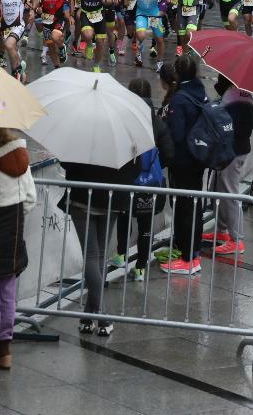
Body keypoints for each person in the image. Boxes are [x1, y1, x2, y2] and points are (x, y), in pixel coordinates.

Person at [0, 129, 36, 377]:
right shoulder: (20, 156)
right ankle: (5, 349)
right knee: (7, 295)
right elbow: (31, 199)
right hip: (15, 234)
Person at [61, 153, 138, 336]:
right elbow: (136, 167)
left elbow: (66, 162)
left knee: (91, 255)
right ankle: (92, 316)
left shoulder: (81, 131)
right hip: (112, 198)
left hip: (82, 196)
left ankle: (99, 315)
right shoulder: (125, 133)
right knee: (101, 255)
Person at [111, 79, 174, 281]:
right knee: (146, 224)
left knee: (124, 215)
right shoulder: (157, 122)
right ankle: (140, 268)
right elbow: (169, 153)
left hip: (127, 180)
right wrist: (153, 165)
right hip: (150, 184)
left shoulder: (123, 120)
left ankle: (121, 255)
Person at [161, 54, 208, 276]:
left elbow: (176, 135)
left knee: (185, 207)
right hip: (198, 159)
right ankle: (192, 252)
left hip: (184, 162)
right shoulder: (201, 93)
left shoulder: (179, 100)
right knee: (194, 205)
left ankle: (188, 258)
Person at [203, 78, 253, 255]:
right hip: (234, 150)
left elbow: (228, 126)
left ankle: (236, 240)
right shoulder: (243, 92)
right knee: (219, 189)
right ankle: (222, 231)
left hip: (233, 152)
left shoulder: (234, 95)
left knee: (229, 194)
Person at [124, 0, 170, 72]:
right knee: (140, 36)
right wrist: (125, 3)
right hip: (141, 14)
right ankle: (139, 53)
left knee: (159, 39)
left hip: (154, 15)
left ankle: (160, 62)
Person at [69, 0, 113, 73]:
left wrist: (105, 0)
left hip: (99, 14)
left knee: (100, 43)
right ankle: (89, 44)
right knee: (88, 35)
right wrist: (71, 4)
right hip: (85, 13)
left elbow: (110, 0)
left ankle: (96, 65)